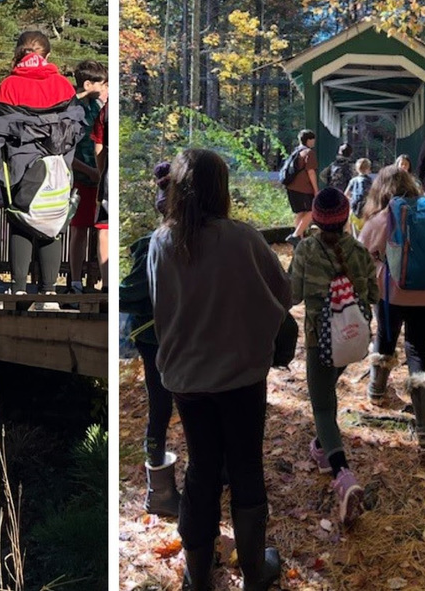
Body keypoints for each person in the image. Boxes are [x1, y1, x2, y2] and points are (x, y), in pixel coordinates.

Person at [148, 149, 290, 591]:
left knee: (201, 468)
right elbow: (283, 295)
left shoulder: (162, 241)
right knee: (246, 466)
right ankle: (253, 574)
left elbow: (161, 307)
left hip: (187, 381)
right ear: (221, 189)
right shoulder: (244, 238)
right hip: (242, 378)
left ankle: (197, 573)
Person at [288, 187, 378, 528]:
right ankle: (322, 448)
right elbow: (371, 293)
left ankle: (343, 476)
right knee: (328, 392)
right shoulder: (358, 251)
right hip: (353, 339)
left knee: (322, 405)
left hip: (319, 340)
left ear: (316, 216)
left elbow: (293, 295)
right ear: (344, 216)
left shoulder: (307, 250)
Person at [359, 167, 425, 448]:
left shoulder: (382, 218)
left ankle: (376, 391)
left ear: (379, 190)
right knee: (420, 350)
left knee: (386, 337)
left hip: (391, 294)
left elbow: (360, 254)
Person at [0, 31, 83, 311]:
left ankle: (18, 292)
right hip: (58, 164)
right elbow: (75, 127)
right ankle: (49, 295)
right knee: (53, 224)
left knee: (21, 223)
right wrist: (64, 159)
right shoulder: (63, 85)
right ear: (47, 55)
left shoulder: (10, 85)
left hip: (19, 167)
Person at [118, 161, 178, 518]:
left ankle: (159, 487)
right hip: (184, 338)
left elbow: (129, 294)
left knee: (160, 406)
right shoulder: (201, 244)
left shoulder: (149, 246)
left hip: (153, 338)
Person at [68, 60, 108, 293]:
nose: (105, 89)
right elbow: (68, 151)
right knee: (79, 230)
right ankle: (75, 281)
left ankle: (102, 282)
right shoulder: (74, 108)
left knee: (102, 231)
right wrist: (90, 171)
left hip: (100, 178)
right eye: (101, 84)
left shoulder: (99, 109)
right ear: (87, 84)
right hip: (82, 178)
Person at [285, 129, 319, 248]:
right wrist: (316, 189)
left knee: (301, 213)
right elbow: (311, 172)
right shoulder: (309, 153)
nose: (314, 142)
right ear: (309, 140)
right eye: (313, 139)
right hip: (303, 189)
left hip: (291, 188)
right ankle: (295, 236)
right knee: (312, 211)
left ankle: (298, 240)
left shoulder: (295, 152)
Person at [92, 92, 109, 291]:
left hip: (108, 175)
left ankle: (106, 283)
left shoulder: (105, 111)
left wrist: (101, 171)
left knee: (105, 229)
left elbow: (98, 147)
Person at [345, 158, 373, 237]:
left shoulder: (353, 181)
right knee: (367, 236)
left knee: (356, 235)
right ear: (368, 169)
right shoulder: (370, 181)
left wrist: (352, 199)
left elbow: (346, 194)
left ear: (357, 169)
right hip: (367, 212)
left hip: (354, 211)